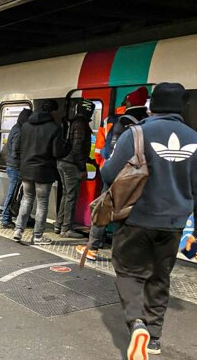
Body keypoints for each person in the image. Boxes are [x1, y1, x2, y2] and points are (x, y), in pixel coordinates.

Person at [100, 83, 197, 360]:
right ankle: (153, 337)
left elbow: (109, 172)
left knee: (129, 272)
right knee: (160, 276)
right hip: (174, 225)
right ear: (180, 108)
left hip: (137, 219)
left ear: (152, 107)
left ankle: (136, 323)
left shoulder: (135, 134)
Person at [77, 101, 150, 261]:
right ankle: (126, 251)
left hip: (117, 175)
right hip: (138, 177)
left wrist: (103, 168)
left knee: (103, 208)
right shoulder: (147, 124)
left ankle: (93, 247)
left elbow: (104, 150)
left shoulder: (118, 123)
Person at [13, 99, 69, 244]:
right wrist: (67, 146)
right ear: (53, 111)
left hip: (26, 170)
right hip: (44, 171)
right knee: (42, 203)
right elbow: (57, 153)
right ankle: (37, 236)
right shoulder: (55, 128)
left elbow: (18, 148)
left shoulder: (25, 126)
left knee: (26, 199)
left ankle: (18, 230)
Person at [54, 100, 94, 238]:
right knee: (71, 196)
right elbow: (77, 147)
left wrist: (89, 160)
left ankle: (59, 225)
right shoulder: (81, 124)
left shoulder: (74, 122)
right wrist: (83, 167)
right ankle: (66, 229)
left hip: (64, 162)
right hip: (71, 164)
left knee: (66, 194)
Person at [94, 86, 148, 167]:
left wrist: (98, 161)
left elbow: (100, 146)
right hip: (140, 169)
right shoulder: (148, 120)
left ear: (125, 103)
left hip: (110, 166)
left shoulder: (110, 120)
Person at [0, 109, 33, 228]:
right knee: (13, 193)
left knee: (14, 193)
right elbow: (15, 151)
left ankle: (10, 216)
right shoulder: (19, 131)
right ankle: (5, 219)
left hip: (12, 165)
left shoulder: (16, 127)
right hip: (15, 166)